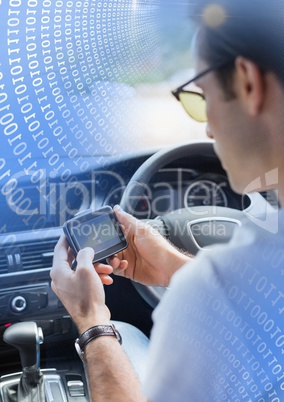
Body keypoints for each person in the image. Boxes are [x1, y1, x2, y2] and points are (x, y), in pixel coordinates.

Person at [50, 0, 284, 400]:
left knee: (122, 332)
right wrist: (174, 268)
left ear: (248, 82)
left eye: (202, 97)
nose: (208, 129)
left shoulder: (208, 292)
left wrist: (92, 322)